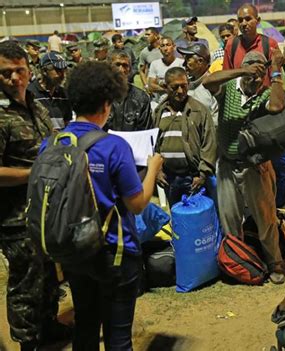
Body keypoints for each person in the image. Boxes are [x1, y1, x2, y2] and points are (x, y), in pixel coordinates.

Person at [43, 60, 164, 350]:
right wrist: (152, 168)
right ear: (107, 104)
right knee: (118, 336)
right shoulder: (112, 146)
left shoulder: (53, 143)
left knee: (85, 325)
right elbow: (136, 204)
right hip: (114, 252)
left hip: (73, 249)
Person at [0, 41, 67, 351]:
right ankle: (28, 341)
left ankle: (49, 324)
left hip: (45, 209)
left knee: (50, 272)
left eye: (20, 70)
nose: (15, 78)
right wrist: (33, 174)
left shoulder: (35, 104)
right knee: (26, 279)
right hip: (15, 216)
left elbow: (50, 142)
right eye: (6, 73)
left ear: (29, 70)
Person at [203, 49, 285, 284]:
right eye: (252, 72)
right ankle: (236, 261)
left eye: (260, 74)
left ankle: (275, 263)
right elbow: (207, 81)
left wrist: (276, 72)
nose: (255, 79)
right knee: (230, 217)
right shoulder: (229, 88)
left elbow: (277, 107)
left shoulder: (266, 94)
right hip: (228, 165)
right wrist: (242, 70)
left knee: (266, 216)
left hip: (256, 166)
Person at [154, 67, 216, 206]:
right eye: (175, 87)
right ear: (165, 87)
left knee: (197, 218)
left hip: (193, 178)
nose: (181, 91)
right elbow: (153, 144)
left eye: (184, 86)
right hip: (169, 178)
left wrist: (203, 172)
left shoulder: (199, 110)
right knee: (177, 217)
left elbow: (209, 142)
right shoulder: (159, 112)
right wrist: (157, 171)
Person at [222, 3, 279, 87]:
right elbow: (226, 76)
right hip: (238, 98)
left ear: (258, 20)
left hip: (264, 96)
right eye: (240, 20)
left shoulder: (270, 44)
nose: (244, 23)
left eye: (248, 19)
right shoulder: (231, 45)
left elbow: (276, 76)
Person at [105, 51, 153, 131]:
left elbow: (145, 130)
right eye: (117, 65)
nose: (121, 70)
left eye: (125, 66)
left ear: (130, 70)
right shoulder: (98, 95)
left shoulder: (141, 98)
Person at [27, 52, 72, 130]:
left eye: (63, 70)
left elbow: (67, 122)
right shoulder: (30, 93)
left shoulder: (64, 95)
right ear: (44, 71)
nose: (62, 75)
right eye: (58, 70)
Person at [177, 43, 219, 125]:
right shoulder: (188, 84)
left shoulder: (213, 86)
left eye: (188, 60)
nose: (183, 64)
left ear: (200, 61)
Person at [147, 36, 184, 103]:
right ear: (159, 48)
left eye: (168, 45)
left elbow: (184, 85)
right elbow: (151, 86)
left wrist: (161, 83)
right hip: (160, 103)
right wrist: (169, 89)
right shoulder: (155, 64)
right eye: (162, 46)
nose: (165, 48)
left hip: (179, 102)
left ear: (174, 47)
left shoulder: (181, 63)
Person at [139, 27, 163, 91]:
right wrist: (146, 85)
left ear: (156, 36)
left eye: (148, 34)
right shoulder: (144, 52)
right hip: (153, 87)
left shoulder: (165, 49)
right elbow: (141, 71)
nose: (146, 36)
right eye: (145, 34)